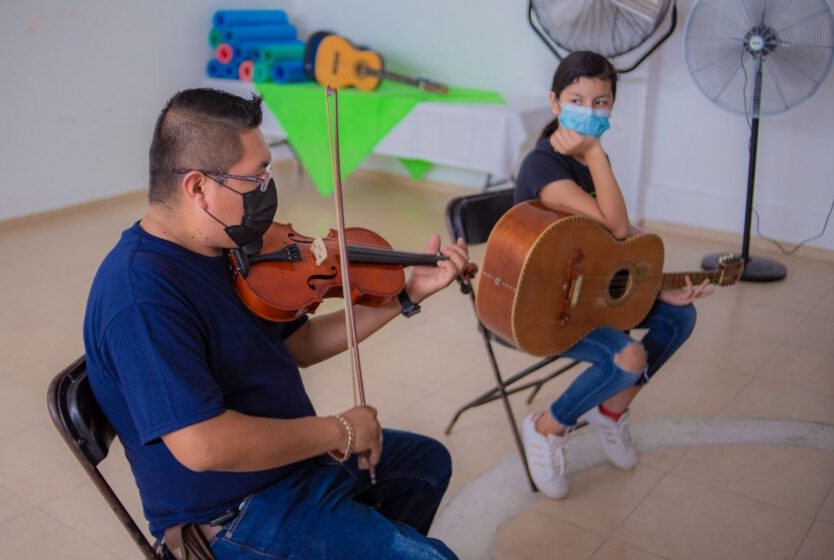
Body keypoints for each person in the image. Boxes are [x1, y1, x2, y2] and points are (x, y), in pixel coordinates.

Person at [84, 88, 470, 559]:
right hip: (234, 516)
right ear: (197, 187)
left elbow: (299, 344)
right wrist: (340, 431)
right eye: (255, 177)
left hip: (290, 467)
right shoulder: (141, 296)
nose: (268, 188)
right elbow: (201, 445)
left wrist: (406, 294)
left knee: (426, 465)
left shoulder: (225, 249)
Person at [514, 51, 712, 500]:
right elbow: (617, 226)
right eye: (577, 98)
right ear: (554, 102)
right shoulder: (544, 165)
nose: (590, 109)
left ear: (612, 106)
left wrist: (657, 285)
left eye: (601, 101)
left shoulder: (586, 159)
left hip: (583, 289)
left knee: (680, 318)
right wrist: (594, 149)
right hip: (539, 305)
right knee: (628, 358)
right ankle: (547, 426)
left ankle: (611, 409)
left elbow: (612, 239)